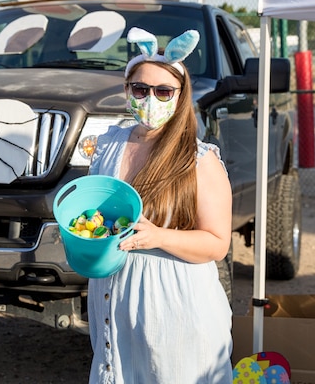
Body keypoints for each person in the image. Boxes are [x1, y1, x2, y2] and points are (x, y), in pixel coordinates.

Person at [87, 27, 233, 384]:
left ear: (180, 96)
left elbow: (216, 243)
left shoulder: (199, 160)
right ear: (127, 90)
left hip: (175, 307)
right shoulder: (108, 146)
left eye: (163, 90)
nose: (150, 98)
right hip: (114, 304)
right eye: (140, 89)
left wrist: (159, 236)